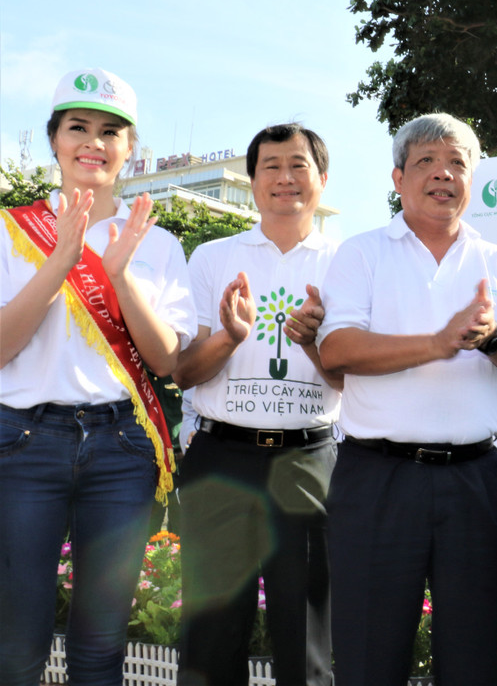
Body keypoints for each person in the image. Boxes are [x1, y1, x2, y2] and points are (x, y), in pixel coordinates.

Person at [318, 113, 497, 685]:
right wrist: (438, 342)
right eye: (426, 162)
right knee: (370, 657)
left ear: (471, 180)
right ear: (398, 178)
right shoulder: (362, 253)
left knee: (471, 658)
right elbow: (338, 349)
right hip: (377, 479)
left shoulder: (496, 261)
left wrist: (489, 337)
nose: (443, 174)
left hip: (473, 481)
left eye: (457, 164)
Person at [0, 68, 196, 686]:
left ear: (129, 147)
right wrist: (58, 263)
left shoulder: (156, 243)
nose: (93, 142)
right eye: (78, 127)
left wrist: (120, 275)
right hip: (23, 444)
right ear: (55, 139)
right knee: (15, 635)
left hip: (121, 448)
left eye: (111, 131)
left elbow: (165, 363)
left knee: (101, 642)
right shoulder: (11, 231)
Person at [173, 123, 341, 686]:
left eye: (299, 165)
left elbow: (353, 381)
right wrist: (229, 335)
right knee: (211, 637)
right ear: (251, 180)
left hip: (308, 461)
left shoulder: (349, 263)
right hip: (221, 458)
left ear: (322, 178)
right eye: (270, 165)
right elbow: (184, 371)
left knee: (307, 636)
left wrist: (314, 343)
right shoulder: (213, 258)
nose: (284, 178)